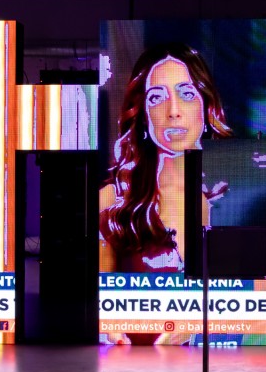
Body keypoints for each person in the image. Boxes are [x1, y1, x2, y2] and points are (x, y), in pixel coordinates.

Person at [99, 42, 232, 344]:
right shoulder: (113, 199)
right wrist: (111, 330)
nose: (173, 112)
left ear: (206, 105)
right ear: (143, 115)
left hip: (225, 363)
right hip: (139, 364)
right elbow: (98, 301)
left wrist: (192, 328)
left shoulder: (237, 195)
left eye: (186, 94)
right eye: (157, 98)